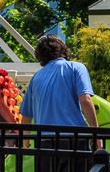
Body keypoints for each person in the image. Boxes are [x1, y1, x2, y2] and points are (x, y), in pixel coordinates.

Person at [19, 35, 100, 171]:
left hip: (44, 142)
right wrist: (96, 134)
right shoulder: (76, 68)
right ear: (63, 49)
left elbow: (26, 117)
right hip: (73, 139)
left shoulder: (36, 78)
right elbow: (85, 100)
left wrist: (25, 141)